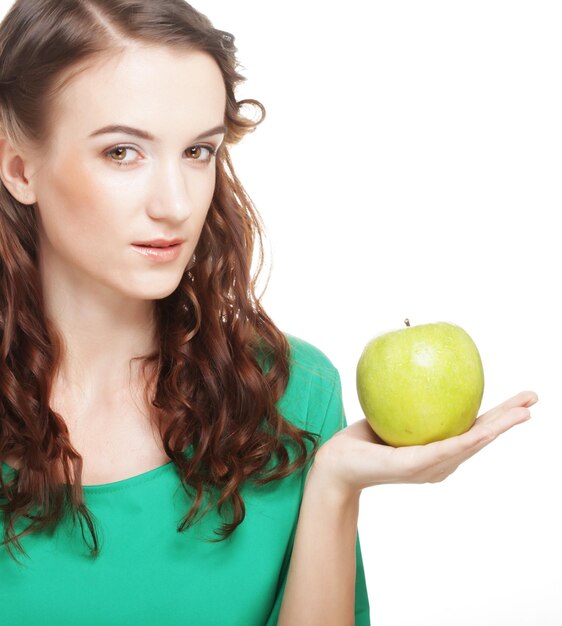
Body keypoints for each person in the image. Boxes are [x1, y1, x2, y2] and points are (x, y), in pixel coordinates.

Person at [0, 1, 538, 624]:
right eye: (123, 152)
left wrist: (334, 486)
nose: (175, 204)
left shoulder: (289, 394)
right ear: (18, 167)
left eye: (199, 151)